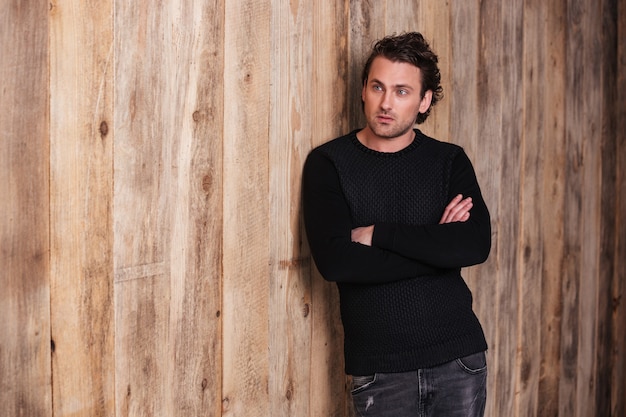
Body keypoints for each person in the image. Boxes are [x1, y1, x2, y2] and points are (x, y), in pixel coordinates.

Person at [302, 32, 491, 416]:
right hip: (379, 371)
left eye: (402, 91)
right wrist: (437, 249)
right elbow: (337, 262)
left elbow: (474, 245)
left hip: (458, 359)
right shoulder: (329, 163)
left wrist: (379, 235)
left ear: (424, 101)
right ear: (364, 91)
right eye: (378, 87)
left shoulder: (448, 161)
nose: (386, 103)